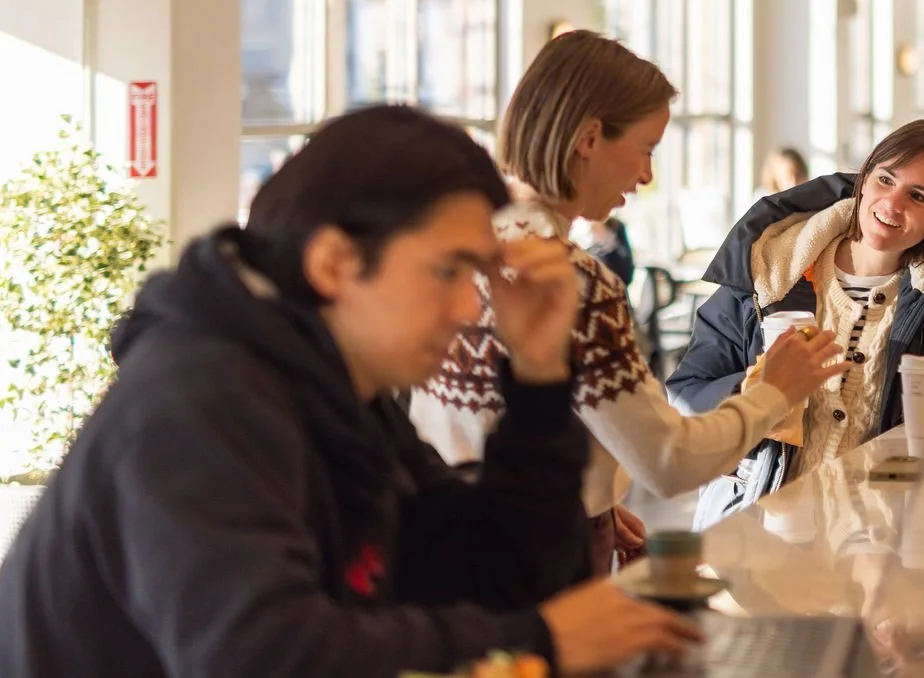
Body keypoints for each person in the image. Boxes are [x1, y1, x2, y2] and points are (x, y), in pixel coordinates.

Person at [0, 105, 698, 678]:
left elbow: (495, 572)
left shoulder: (338, 390)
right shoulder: (197, 401)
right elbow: (263, 658)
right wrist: (535, 641)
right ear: (334, 262)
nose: (467, 308)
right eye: (450, 270)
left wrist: (540, 376)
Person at [411, 31, 845, 575]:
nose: (646, 176)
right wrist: (773, 394)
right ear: (590, 138)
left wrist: (595, 485)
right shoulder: (572, 283)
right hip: (533, 554)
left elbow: (478, 417)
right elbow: (670, 462)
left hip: (443, 542)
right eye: (645, 149)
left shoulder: (461, 248)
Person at [669, 120, 924, 525]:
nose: (892, 204)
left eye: (917, 196)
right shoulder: (769, 270)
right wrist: (760, 391)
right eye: (884, 179)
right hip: (758, 525)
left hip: (880, 539)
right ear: (863, 180)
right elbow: (686, 397)